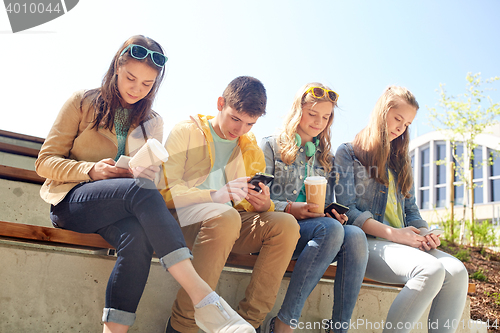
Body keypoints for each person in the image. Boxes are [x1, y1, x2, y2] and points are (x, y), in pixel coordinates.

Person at [35, 35, 254, 333]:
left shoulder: (153, 121)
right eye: (130, 78)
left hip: (121, 208)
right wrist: (91, 170)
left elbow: (148, 179)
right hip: (73, 203)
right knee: (141, 194)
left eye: (147, 84)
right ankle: (202, 297)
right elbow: (45, 161)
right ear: (116, 67)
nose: (137, 89)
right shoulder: (82, 102)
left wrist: (145, 173)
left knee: (138, 237)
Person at [160, 76, 301, 333]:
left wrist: (262, 204)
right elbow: (164, 191)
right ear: (220, 103)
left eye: (249, 123)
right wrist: (215, 196)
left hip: (228, 225)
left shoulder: (250, 147)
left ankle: (248, 325)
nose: (240, 130)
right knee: (225, 215)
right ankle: (183, 326)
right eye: (235, 118)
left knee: (286, 224)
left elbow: (248, 205)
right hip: (182, 221)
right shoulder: (187, 131)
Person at [334, 86, 469, 333]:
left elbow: (411, 210)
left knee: (458, 271)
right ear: (382, 111)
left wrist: (425, 233)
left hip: (405, 245)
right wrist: (394, 234)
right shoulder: (348, 153)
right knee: (430, 270)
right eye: (398, 118)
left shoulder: (399, 161)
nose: (400, 127)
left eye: (406, 124)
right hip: (368, 243)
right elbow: (348, 211)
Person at [260, 83, 368, 333]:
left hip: (315, 233)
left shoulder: (324, 159)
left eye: (326, 116)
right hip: (278, 228)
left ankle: (338, 328)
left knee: (355, 235)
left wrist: (332, 212)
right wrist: (289, 208)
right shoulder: (271, 146)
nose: (319, 122)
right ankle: (284, 323)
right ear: (298, 111)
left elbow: (323, 206)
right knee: (330, 230)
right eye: (313, 114)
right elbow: (256, 200)